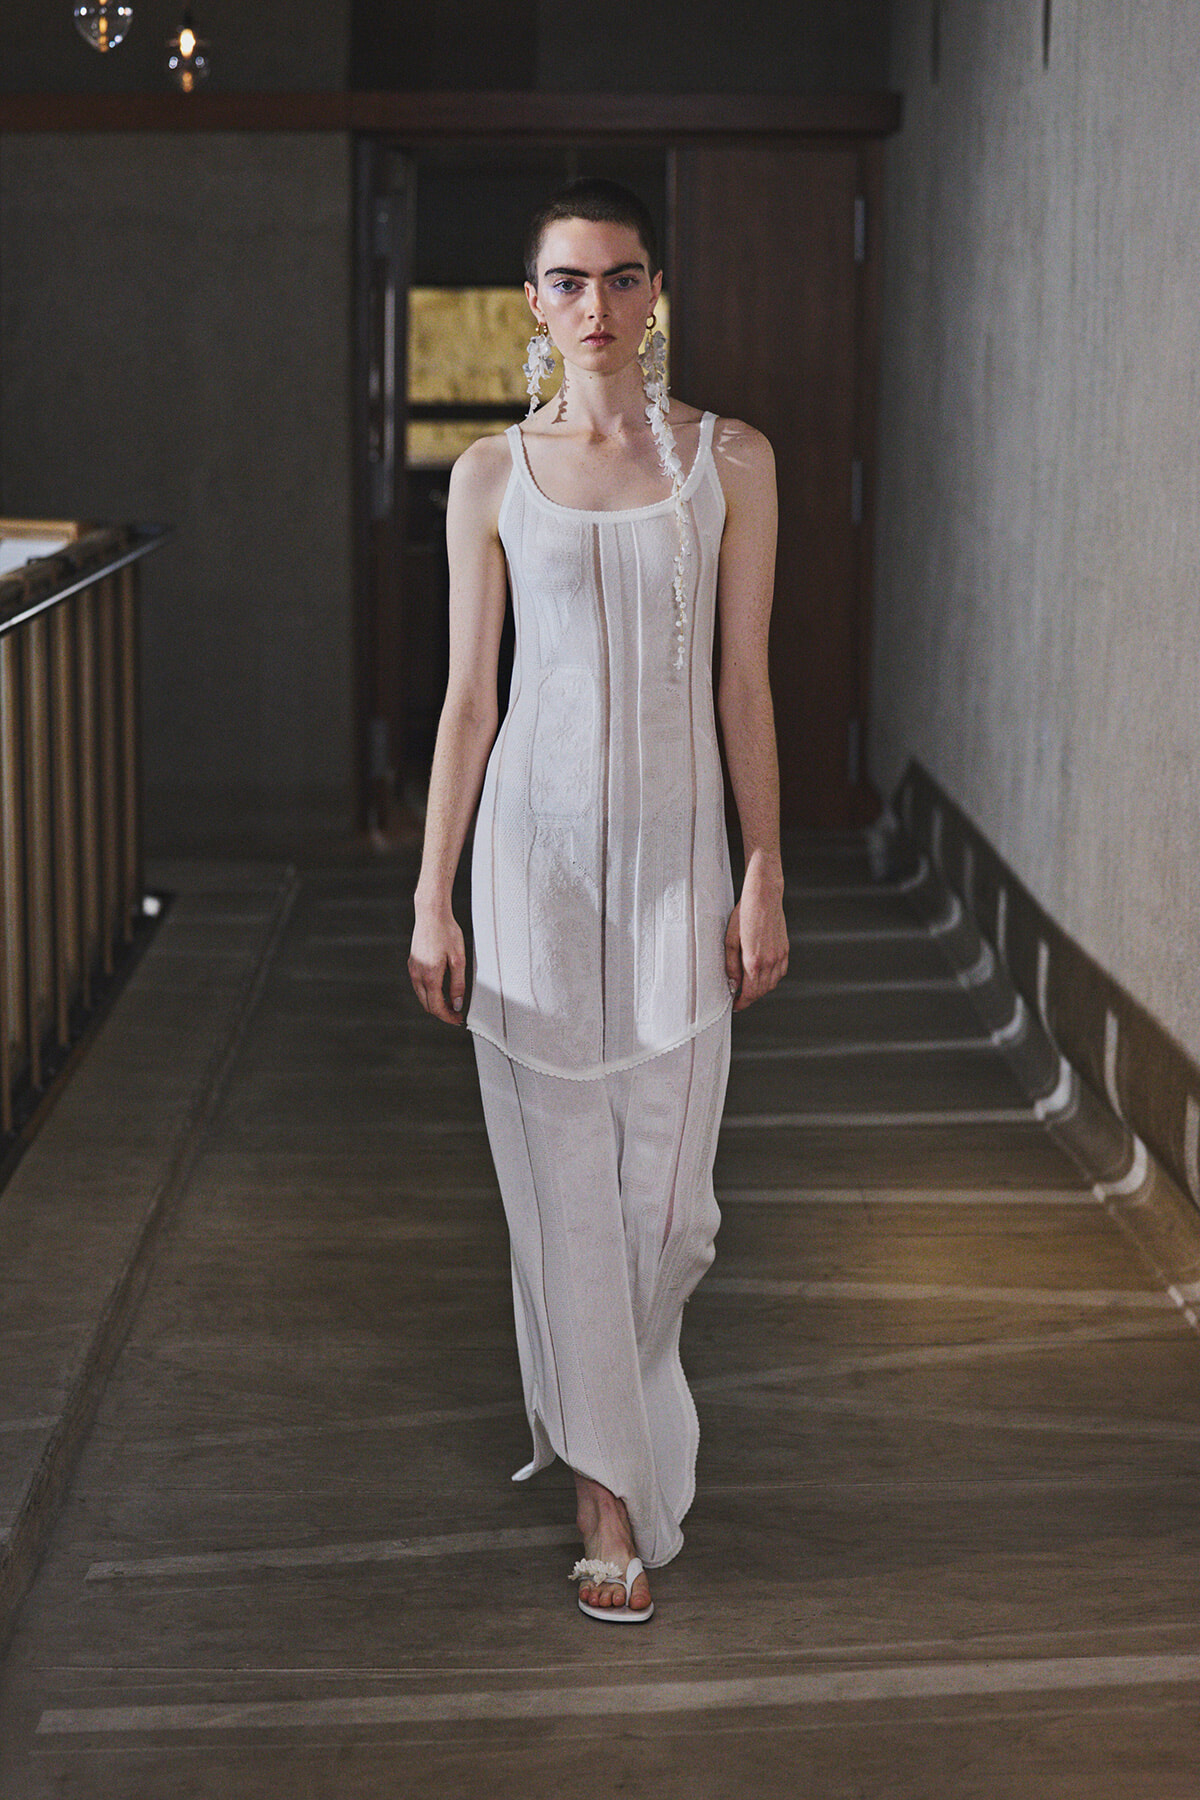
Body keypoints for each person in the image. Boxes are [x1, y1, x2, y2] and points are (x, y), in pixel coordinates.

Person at [408, 178, 788, 1622]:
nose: (600, 308)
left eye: (625, 279)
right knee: (564, 1197)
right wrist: (435, 899)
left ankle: (615, 1426)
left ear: (658, 292)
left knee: (673, 1211)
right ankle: (604, 1504)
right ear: (534, 301)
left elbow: (743, 684)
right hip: (533, 869)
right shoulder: (490, 477)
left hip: (683, 872)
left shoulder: (731, 460)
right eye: (571, 282)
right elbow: (465, 705)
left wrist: (765, 867)